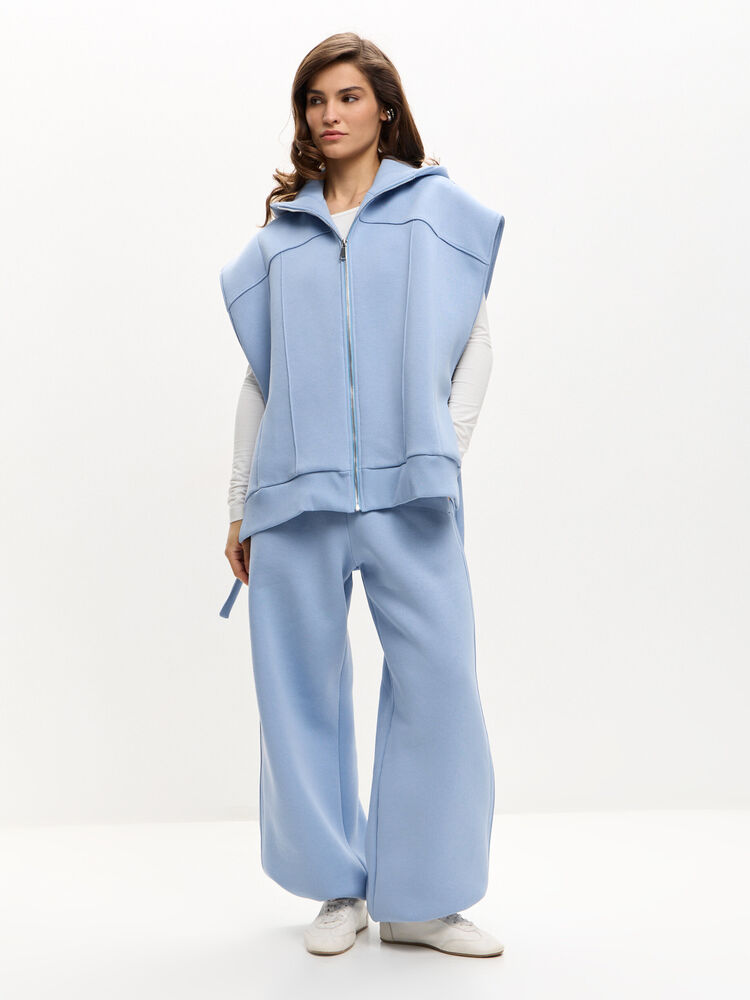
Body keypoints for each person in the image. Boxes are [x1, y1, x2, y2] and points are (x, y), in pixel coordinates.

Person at [218, 32, 506, 958]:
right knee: (299, 694)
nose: (330, 114)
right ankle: (337, 886)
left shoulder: (434, 210)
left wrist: (443, 449)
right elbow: (259, 379)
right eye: (315, 100)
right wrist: (239, 502)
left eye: (347, 96)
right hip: (293, 499)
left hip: (408, 494)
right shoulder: (279, 240)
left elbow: (476, 342)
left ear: (384, 105)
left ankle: (422, 901)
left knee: (440, 685)